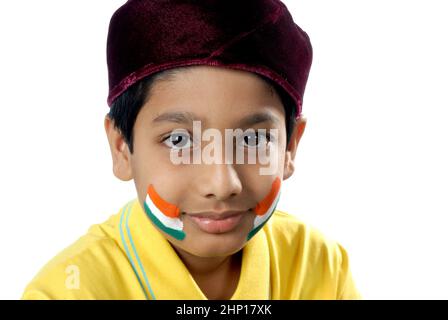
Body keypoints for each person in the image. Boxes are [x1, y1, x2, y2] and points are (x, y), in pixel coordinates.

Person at [22, 0, 361, 300]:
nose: (221, 182)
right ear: (122, 147)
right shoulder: (69, 291)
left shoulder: (320, 267)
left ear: (290, 146)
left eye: (253, 140)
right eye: (179, 141)